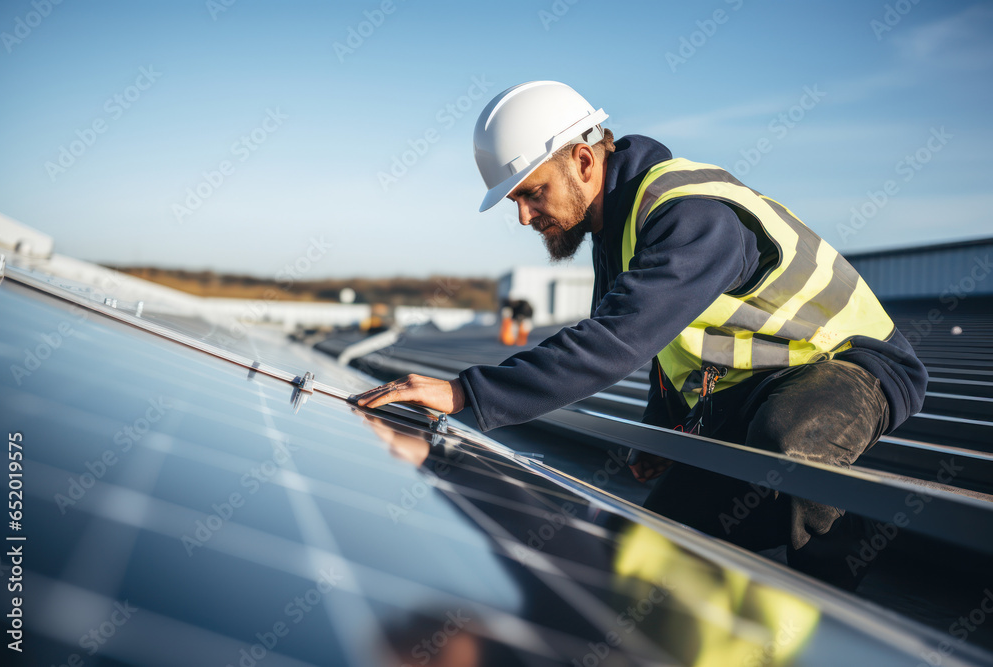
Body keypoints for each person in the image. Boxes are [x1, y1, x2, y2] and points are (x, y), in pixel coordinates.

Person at [353, 81, 928, 589]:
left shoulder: (689, 215)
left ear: (583, 160)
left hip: (851, 367)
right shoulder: (615, 229)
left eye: (532, 193)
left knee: (792, 439)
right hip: (759, 387)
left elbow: (618, 338)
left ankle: (840, 614)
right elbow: (663, 342)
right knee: (653, 555)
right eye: (516, 202)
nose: (525, 217)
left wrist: (465, 395)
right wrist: (664, 430)